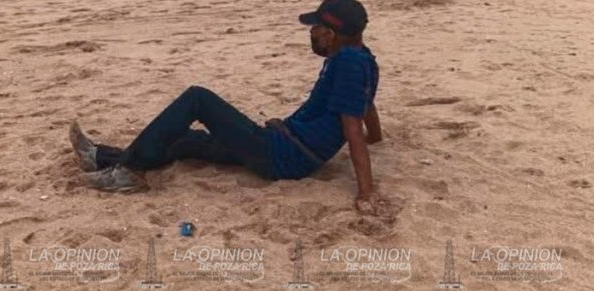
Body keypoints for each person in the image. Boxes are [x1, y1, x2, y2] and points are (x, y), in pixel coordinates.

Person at [69, 0, 382, 211]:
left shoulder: (348, 64)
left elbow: (352, 127)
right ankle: (100, 157)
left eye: (314, 29)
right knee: (185, 142)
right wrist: (376, 137)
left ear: (330, 33)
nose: (311, 34)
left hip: (282, 157)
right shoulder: (360, 58)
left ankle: (128, 173)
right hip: (284, 144)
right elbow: (364, 104)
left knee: (197, 98)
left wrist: (366, 193)